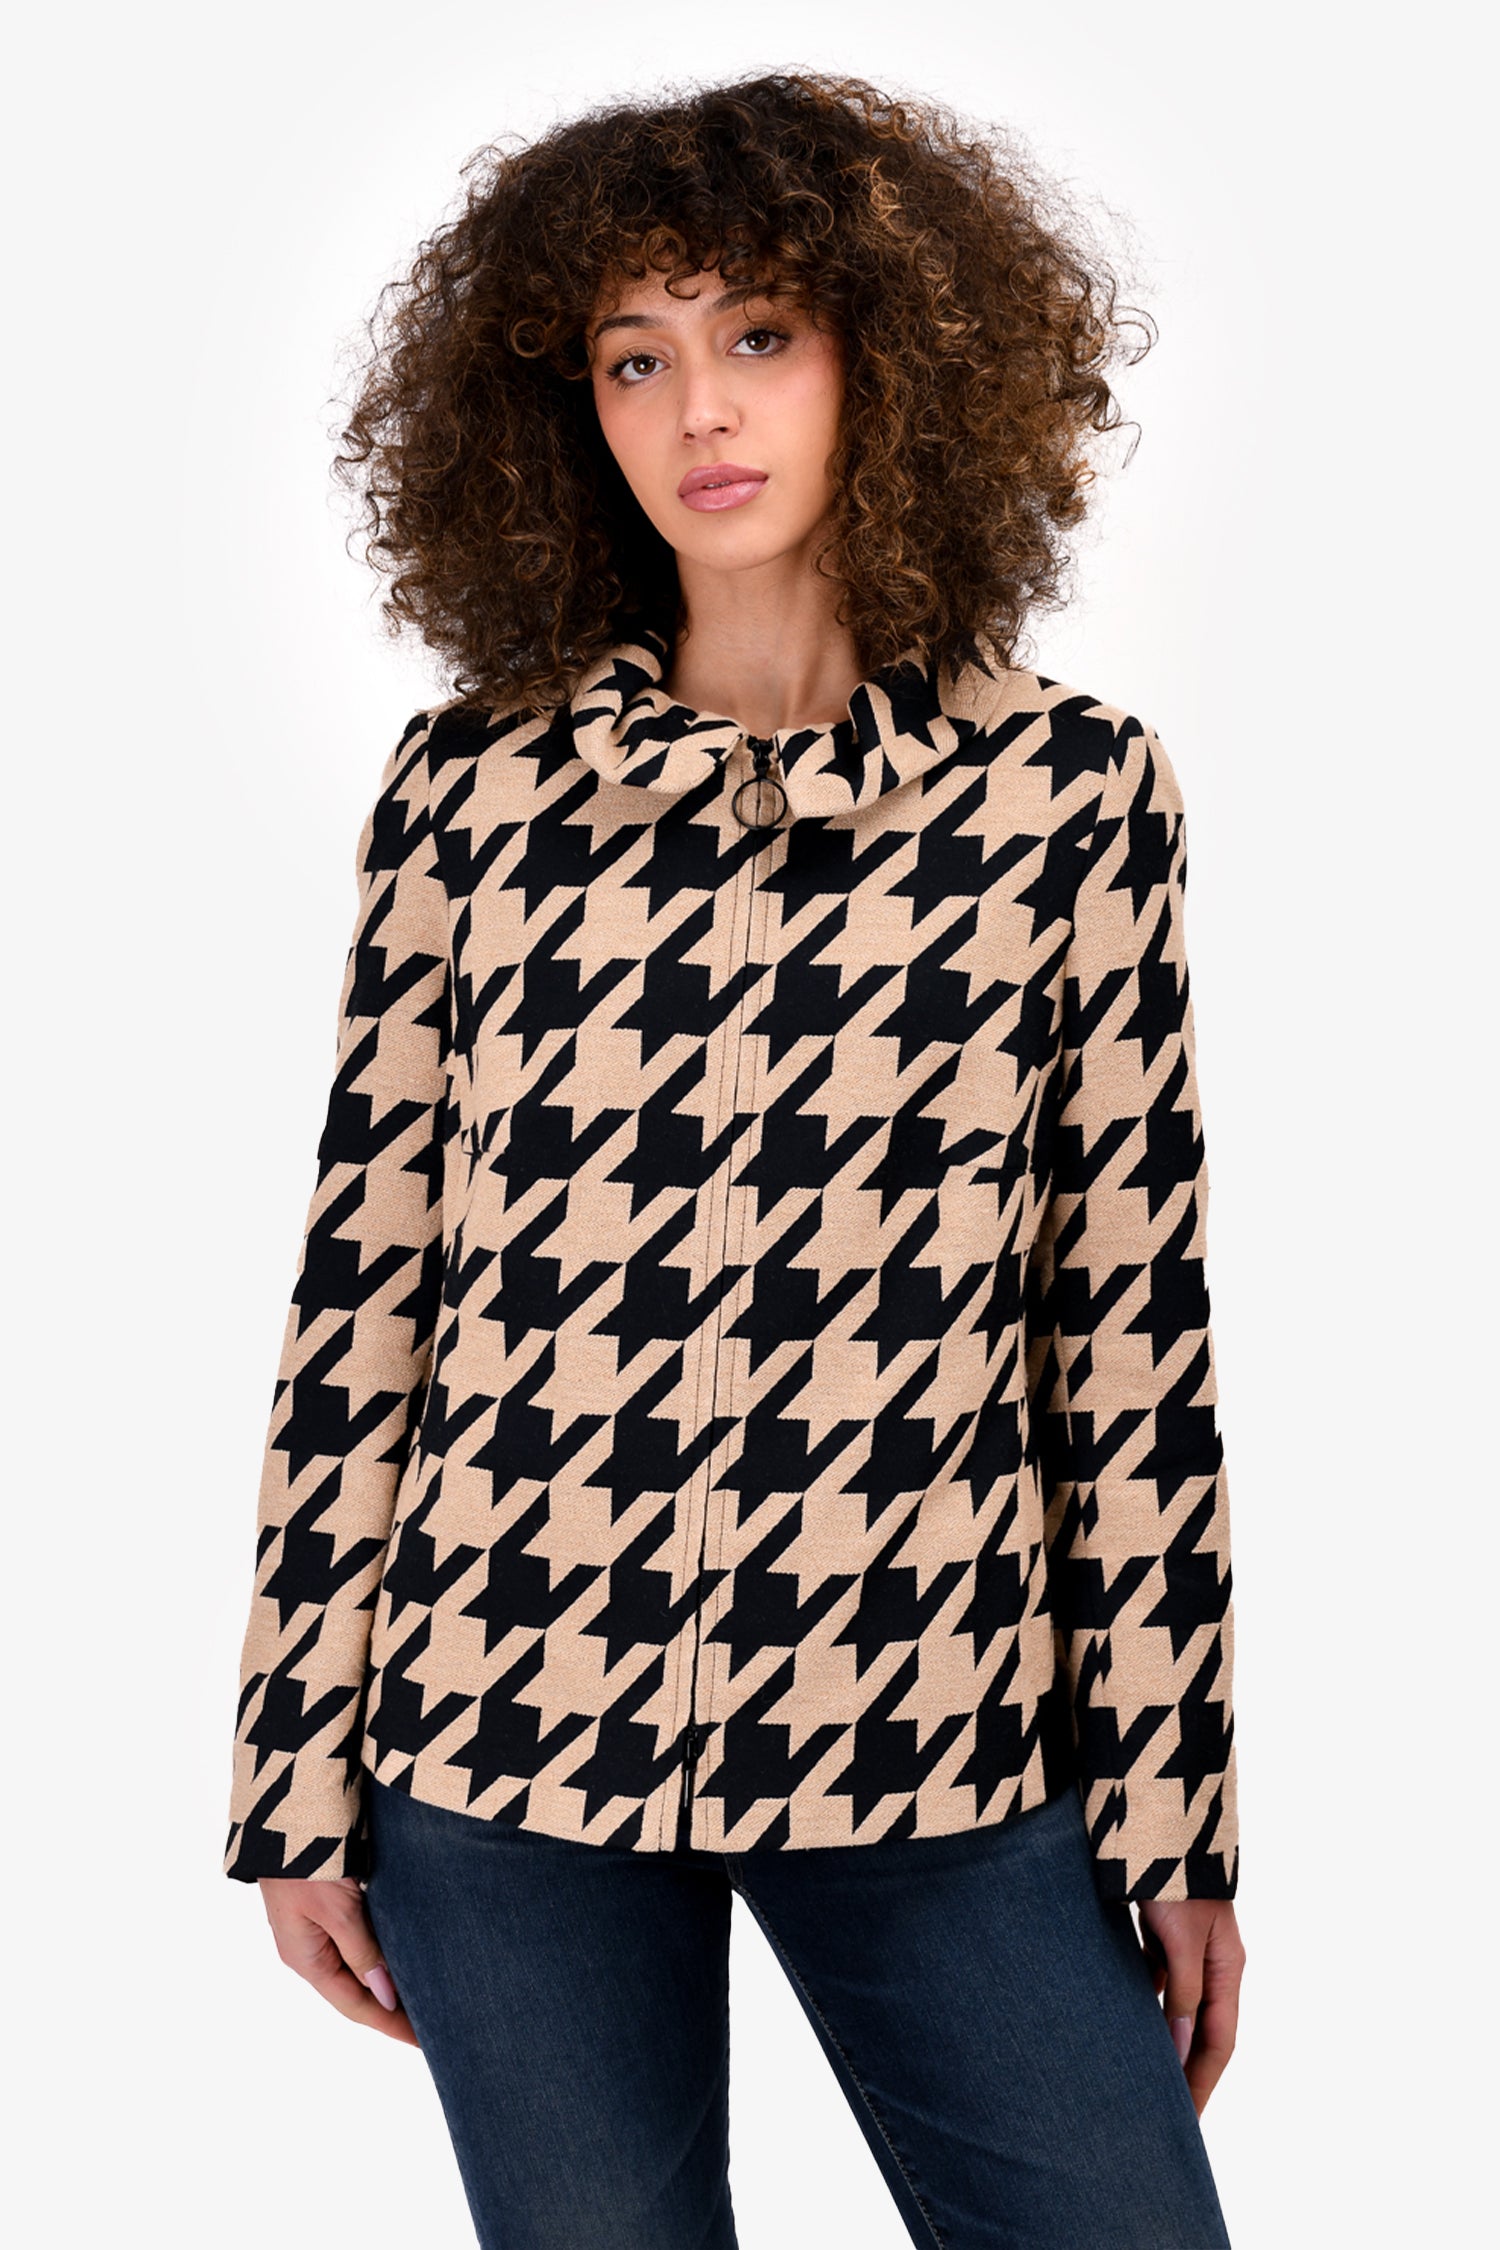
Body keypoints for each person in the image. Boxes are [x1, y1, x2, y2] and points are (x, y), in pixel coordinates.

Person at [224, 69, 1246, 2250]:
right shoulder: (473, 794)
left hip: (933, 1728)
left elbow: (1125, 1334)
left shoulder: (1070, 799)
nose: (699, 407)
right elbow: (368, 1292)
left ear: (897, 354)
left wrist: (1175, 1817)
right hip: (501, 1728)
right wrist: (295, 1763)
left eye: (760, 332)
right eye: (634, 357)